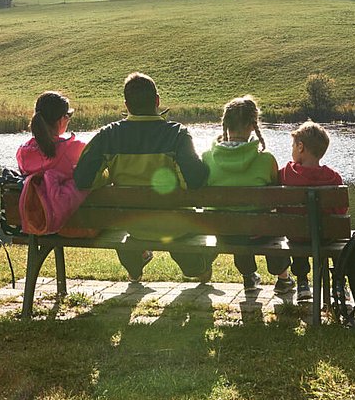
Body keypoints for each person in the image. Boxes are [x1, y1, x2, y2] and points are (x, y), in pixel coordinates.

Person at [74, 72, 214, 282]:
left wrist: (109, 176)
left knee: (131, 225)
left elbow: (83, 179)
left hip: (134, 226)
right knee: (190, 245)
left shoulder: (108, 135)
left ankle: (136, 263)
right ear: (157, 101)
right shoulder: (177, 134)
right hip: (176, 226)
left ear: (126, 105)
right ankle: (196, 269)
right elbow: (194, 181)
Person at [201, 95, 286, 292]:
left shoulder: (207, 158)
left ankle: (248, 276)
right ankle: (283, 277)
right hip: (260, 233)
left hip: (225, 234)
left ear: (225, 124)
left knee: (235, 221)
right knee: (263, 221)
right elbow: (276, 196)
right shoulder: (266, 160)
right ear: (251, 125)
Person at [277, 120, 346, 302]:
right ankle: (339, 284)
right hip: (326, 237)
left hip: (297, 236)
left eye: (293, 146)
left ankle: (302, 283)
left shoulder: (286, 173)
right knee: (334, 233)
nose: (292, 150)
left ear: (300, 147)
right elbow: (341, 211)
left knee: (298, 230)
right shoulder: (333, 177)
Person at [15, 91, 89, 235]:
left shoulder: (23, 153)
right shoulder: (74, 149)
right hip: (72, 226)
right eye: (68, 116)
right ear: (61, 120)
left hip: (36, 223)